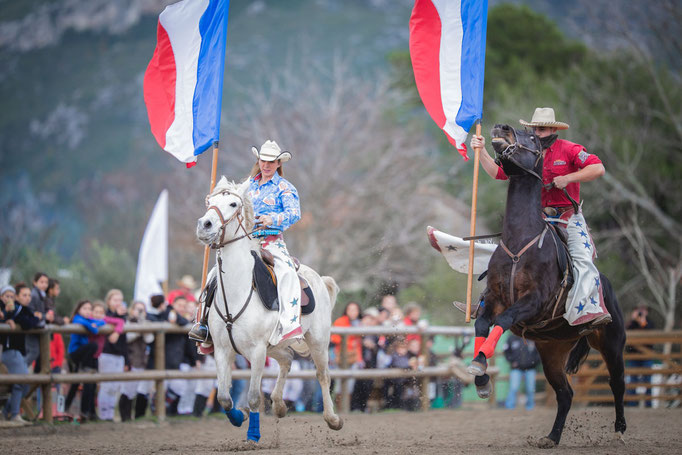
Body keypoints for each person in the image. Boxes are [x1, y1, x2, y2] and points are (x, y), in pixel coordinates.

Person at [467, 107, 610, 328]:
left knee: (582, 258)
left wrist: (568, 177)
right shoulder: (525, 152)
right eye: (534, 129)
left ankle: (588, 309)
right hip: (536, 219)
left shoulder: (570, 149)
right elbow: (498, 173)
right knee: (502, 255)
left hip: (568, 218)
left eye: (541, 130)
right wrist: (482, 151)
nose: (537, 134)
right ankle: (487, 301)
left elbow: (598, 168)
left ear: (553, 129)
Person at [190, 140, 303, 346]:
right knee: (214, 274)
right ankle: (204, 324)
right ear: (258, 160)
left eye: (270, 161)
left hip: (270, 241)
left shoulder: (285, 188)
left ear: (278, 163)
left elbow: (294, 213)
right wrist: (214, 200)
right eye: (263, 160)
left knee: (285, 271)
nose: (266, 165)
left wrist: (273, 219)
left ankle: (289, 324)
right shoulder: (247, 185)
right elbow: (229, 200)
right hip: (245, 240)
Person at [1, 284, 44, 426]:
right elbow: (28, 323)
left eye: (29, 295)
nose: (27, 298)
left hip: (17, 351)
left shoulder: (20, 309)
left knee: (23, 383)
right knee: (22, 381)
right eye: (24, 295)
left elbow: (33, 322)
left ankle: (7, 412)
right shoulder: (16, 309)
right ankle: (13, 414)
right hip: (10, 350)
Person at [65, 300, 103, 421]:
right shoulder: (77, 319)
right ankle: (68, 409)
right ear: (79, 310)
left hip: (83, 357)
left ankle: (87, 412)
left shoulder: (87, 321)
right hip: (75, 354)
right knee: (93, 346)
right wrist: (93, 326)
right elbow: (92, 328)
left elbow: (101, 322)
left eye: (89, 309)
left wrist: (95, 324)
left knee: (87, 382)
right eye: (85, 309)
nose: (87, 311)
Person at [96, 290, 129, 421]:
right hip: (107, 353)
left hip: (119, 354)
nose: (118, 303)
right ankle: (103, 414)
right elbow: (110, 320)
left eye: (120, 300)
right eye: (115, 300)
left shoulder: (123, 317)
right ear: (108, 301)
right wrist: (117, 315)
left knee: (115, 386)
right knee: (106, 385)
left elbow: (124, 339)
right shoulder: (105, 315)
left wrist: (127, 360)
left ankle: (110, 413)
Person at [120, 301, 154, 420]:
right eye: (137, 309)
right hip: (130, 360)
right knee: (128, 390)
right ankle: (125, 417)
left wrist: (143, 324)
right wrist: (139, 329)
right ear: (131, 310)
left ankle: (138, 416)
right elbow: (127, 338)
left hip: (142, 360)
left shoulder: (146, 323)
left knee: (140, 390)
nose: (139, 312)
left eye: (142, 310)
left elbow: (149, 339)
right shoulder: (126, 321)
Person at [625, 305, 655, 407]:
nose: (641, 312)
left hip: (646, 355)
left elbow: (649, 331)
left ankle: (648, 404)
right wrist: (633, 319)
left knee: (648, 380)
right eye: (639, 310)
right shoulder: (632, 323)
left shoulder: (650, 322)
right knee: (633, 381)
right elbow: (625, 332)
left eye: (643, 310)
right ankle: (632, 404)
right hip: (633, 356)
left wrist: (642, 321)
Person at [503, 334, 541, 410]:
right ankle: (509, 407)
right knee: (513, 388)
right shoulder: (511, 338)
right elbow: (506, 351)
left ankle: (530, 406)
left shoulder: (532, 337)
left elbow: (539, 352)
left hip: (530, 369)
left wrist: (534, 363)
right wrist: (512, 361)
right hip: (516, 368)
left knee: (530, 389)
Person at [25, 272, 49, 369]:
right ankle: (18, 370)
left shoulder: (41, 294)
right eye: (41, 282)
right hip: (32, 327)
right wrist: (44, 316)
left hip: (37, 326)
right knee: (34, 352)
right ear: (35, 283)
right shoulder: (34, 295)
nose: (44, 284)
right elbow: (33, 312)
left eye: (46, 282)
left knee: (37, 354)